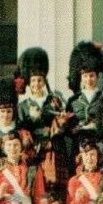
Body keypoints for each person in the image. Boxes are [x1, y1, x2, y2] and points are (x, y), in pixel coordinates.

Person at [16, 46, 70, 189]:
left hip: (53, 149)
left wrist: (61, 120)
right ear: (29, 82)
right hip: (33, 149)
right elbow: (21, 128)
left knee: (55, 185)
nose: (36, 84)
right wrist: (33, 120)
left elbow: (63, 122)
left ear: (44, 81)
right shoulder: (23, 105)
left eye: (40, 80)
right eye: (33, 81)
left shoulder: (55, 100)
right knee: (35, 184)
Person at [65, 40, 103, 155]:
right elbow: (68, 128)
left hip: (99, 144)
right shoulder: (73, 101)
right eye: (85, 76)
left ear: (97, 76)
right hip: (78, 145)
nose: (89, 80)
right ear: (81, 77)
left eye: (92, 76)